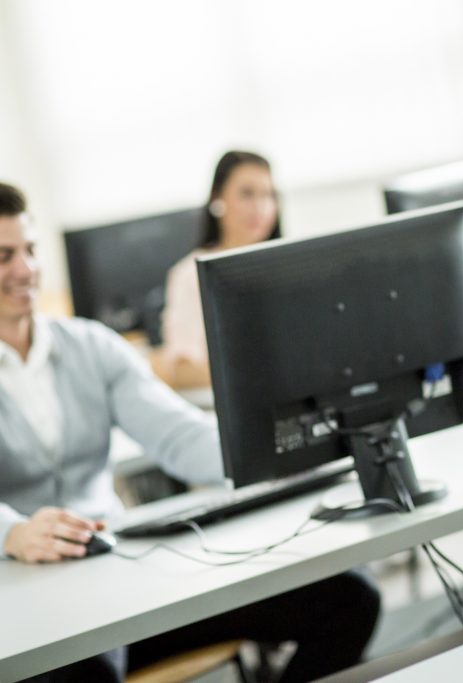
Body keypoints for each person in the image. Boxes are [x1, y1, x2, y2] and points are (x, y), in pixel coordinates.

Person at [0, 182, 378, 682]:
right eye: (4, 256)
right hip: (29, 609)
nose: (25, 269)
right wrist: (12, 532)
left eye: (29, 250)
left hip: (116, 579)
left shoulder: (91, 346)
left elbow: (181, 437)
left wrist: (293, 442)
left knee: (349, 597)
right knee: (85, 672)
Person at [158, 150, 282, 388]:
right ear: (218, 198)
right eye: (246, 194)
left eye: (268, 195)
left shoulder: (285, 266)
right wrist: (258, 376)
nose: (260, 207)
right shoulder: (189, 275)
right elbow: (183, 371)